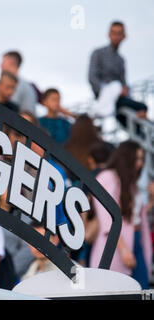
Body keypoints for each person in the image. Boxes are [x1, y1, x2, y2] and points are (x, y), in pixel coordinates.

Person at [90, 141, 152, 289]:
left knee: (140, 290)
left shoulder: (130, 181)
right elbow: (108, 218)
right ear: (126, 158)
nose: (140, 164)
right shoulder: (108, 177)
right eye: (136, 159)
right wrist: (123, 248)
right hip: (117, 244)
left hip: (136, 241)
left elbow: (135, 216)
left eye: (141, 159)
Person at [88, 21, 148, 124]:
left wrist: (124, 90)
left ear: (124, 36)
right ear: (109, 34)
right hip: (104, 95)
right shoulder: (98, 53)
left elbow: (124, 82)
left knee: (133, 118)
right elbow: (92, 77)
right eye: (113, 33)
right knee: (141, 106)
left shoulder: (121, 59)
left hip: (119, 97)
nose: (116, 36)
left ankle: (141, 134)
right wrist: (104, 92)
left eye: (119, 33)